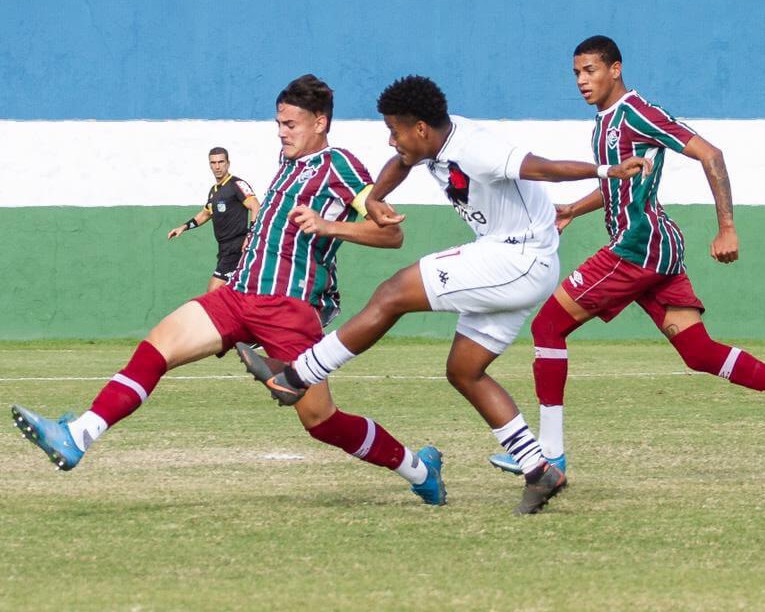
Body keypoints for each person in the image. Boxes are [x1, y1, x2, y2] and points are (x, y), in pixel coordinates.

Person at [11, 75, 449, 507]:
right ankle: (78, 435)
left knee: (321, 422)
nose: (282, 132)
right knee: (156, 348)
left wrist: (327, 226)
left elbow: (390, 234)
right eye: (278, 124)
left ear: (320, 122)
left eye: (291, 124)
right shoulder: (287, 161)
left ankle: (419, 470)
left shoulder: (340, 166)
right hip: (237, 295)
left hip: (288, 307)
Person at [237, 75, 651, 515]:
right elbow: (401, 162)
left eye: (394, 130)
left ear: (419, 128)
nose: (390, 139)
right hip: (513, 260)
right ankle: (539, 470)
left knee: (393, 293)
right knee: (464, 370)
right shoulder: (428, 142)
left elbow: (541, 167)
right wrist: (376, 197)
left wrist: (606, 171)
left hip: (518, 259)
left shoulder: (477, 148)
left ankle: (298, 376)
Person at [488, 35, 765, 480]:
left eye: (590, 70)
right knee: (698, 352)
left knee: (548, 327)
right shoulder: (604, 122)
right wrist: (574, 209)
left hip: (637, 248)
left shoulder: (637, 112)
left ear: (615, 69)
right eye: (576, 73)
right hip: (656, 250)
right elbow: (620, 182)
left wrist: (727, 227)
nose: (581, 80)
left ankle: (549, 456)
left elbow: (710, 154)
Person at [167, 147, 261, 293]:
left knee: (213, 292)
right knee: (230, 293)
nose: (217, 166)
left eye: (221, 162)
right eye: (213, 163)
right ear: (210, 165)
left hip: (236, 247)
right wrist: (183, 227)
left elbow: (255, 207)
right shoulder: (214, 191)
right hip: (223, 249)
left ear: (228, 163)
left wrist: (250, 236)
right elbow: (205, 214)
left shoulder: (237, 184)